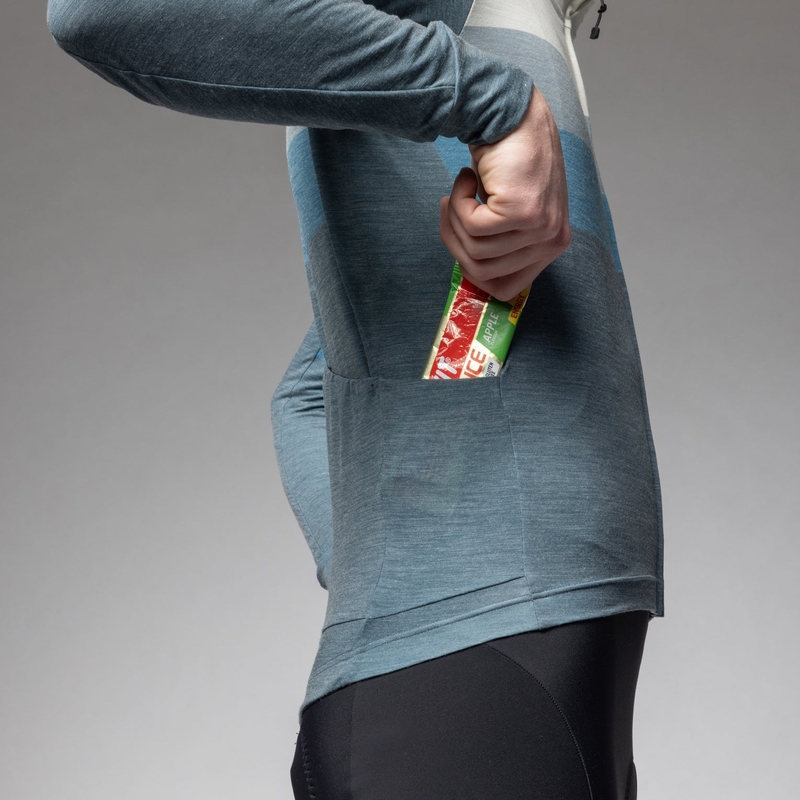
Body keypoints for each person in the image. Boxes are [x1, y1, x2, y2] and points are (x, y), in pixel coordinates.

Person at [46, 0, 664, 796]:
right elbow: (99, 9)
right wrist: (499, 103)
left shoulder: (522, 22)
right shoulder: (460, 30)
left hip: (523, 670)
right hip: (481, 679)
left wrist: (409, 568)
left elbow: (310, 394)